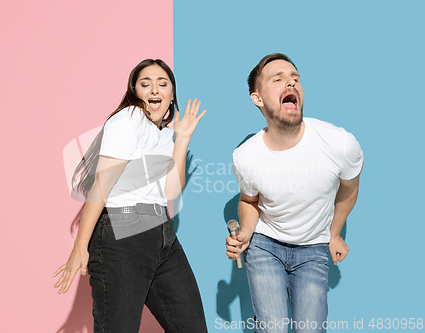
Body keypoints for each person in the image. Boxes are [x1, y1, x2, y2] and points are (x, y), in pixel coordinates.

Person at [53, 59, 208, 333]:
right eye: (145, 84)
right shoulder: (130, 119)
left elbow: (171, 191)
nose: (154, 89)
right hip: (123, 234)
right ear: (134, 92)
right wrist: (80, 245)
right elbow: (102, 184)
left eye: (162, 83)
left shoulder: (165, 135)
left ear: (172, 94)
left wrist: (182, 139)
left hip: (162, 234)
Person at [226, 53, 363, 333]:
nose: (291, 83)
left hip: (313, 248)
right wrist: (245, 236)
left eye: (295, 79)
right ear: (258, 99)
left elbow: (350, 188)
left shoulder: (339, 143)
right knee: (272, 329)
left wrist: (334, 233)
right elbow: (249, 200)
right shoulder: (245, 156)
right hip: (265, 246)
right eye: (278, 79)